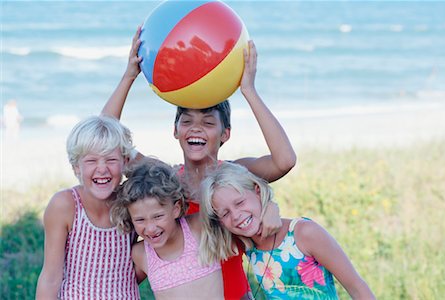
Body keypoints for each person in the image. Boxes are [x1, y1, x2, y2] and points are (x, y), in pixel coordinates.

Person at [102, 27, 297, 299]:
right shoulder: (163, 181)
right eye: (187, 121)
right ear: (175, 130)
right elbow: (106, 143)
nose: (196, 129)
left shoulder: (235, 177)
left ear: (225, 134)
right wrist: (128, 77)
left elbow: (285, 160)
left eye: (208, 122)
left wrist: (249, 91)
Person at [199, 162, 376, 299]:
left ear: (258, 191)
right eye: (225, 213)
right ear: (220, 221)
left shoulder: (304, 233)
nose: (236, 215)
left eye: (239, 203)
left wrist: (271, 205)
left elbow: (359, 290)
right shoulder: (246, 245)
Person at [36, 115, 141, 299]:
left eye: (111, 160)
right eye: (91, 161)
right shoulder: (65, 205)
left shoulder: (132, 202)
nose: (102, 169)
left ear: (125, 161)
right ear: (76, 167)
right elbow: (50, 278)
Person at [110, 158, 224, 299]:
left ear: (176, 209)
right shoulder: (141, 253)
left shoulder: (198, 227)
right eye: (140, 220)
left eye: (158, 216)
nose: (150, 228)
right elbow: (118, 285)